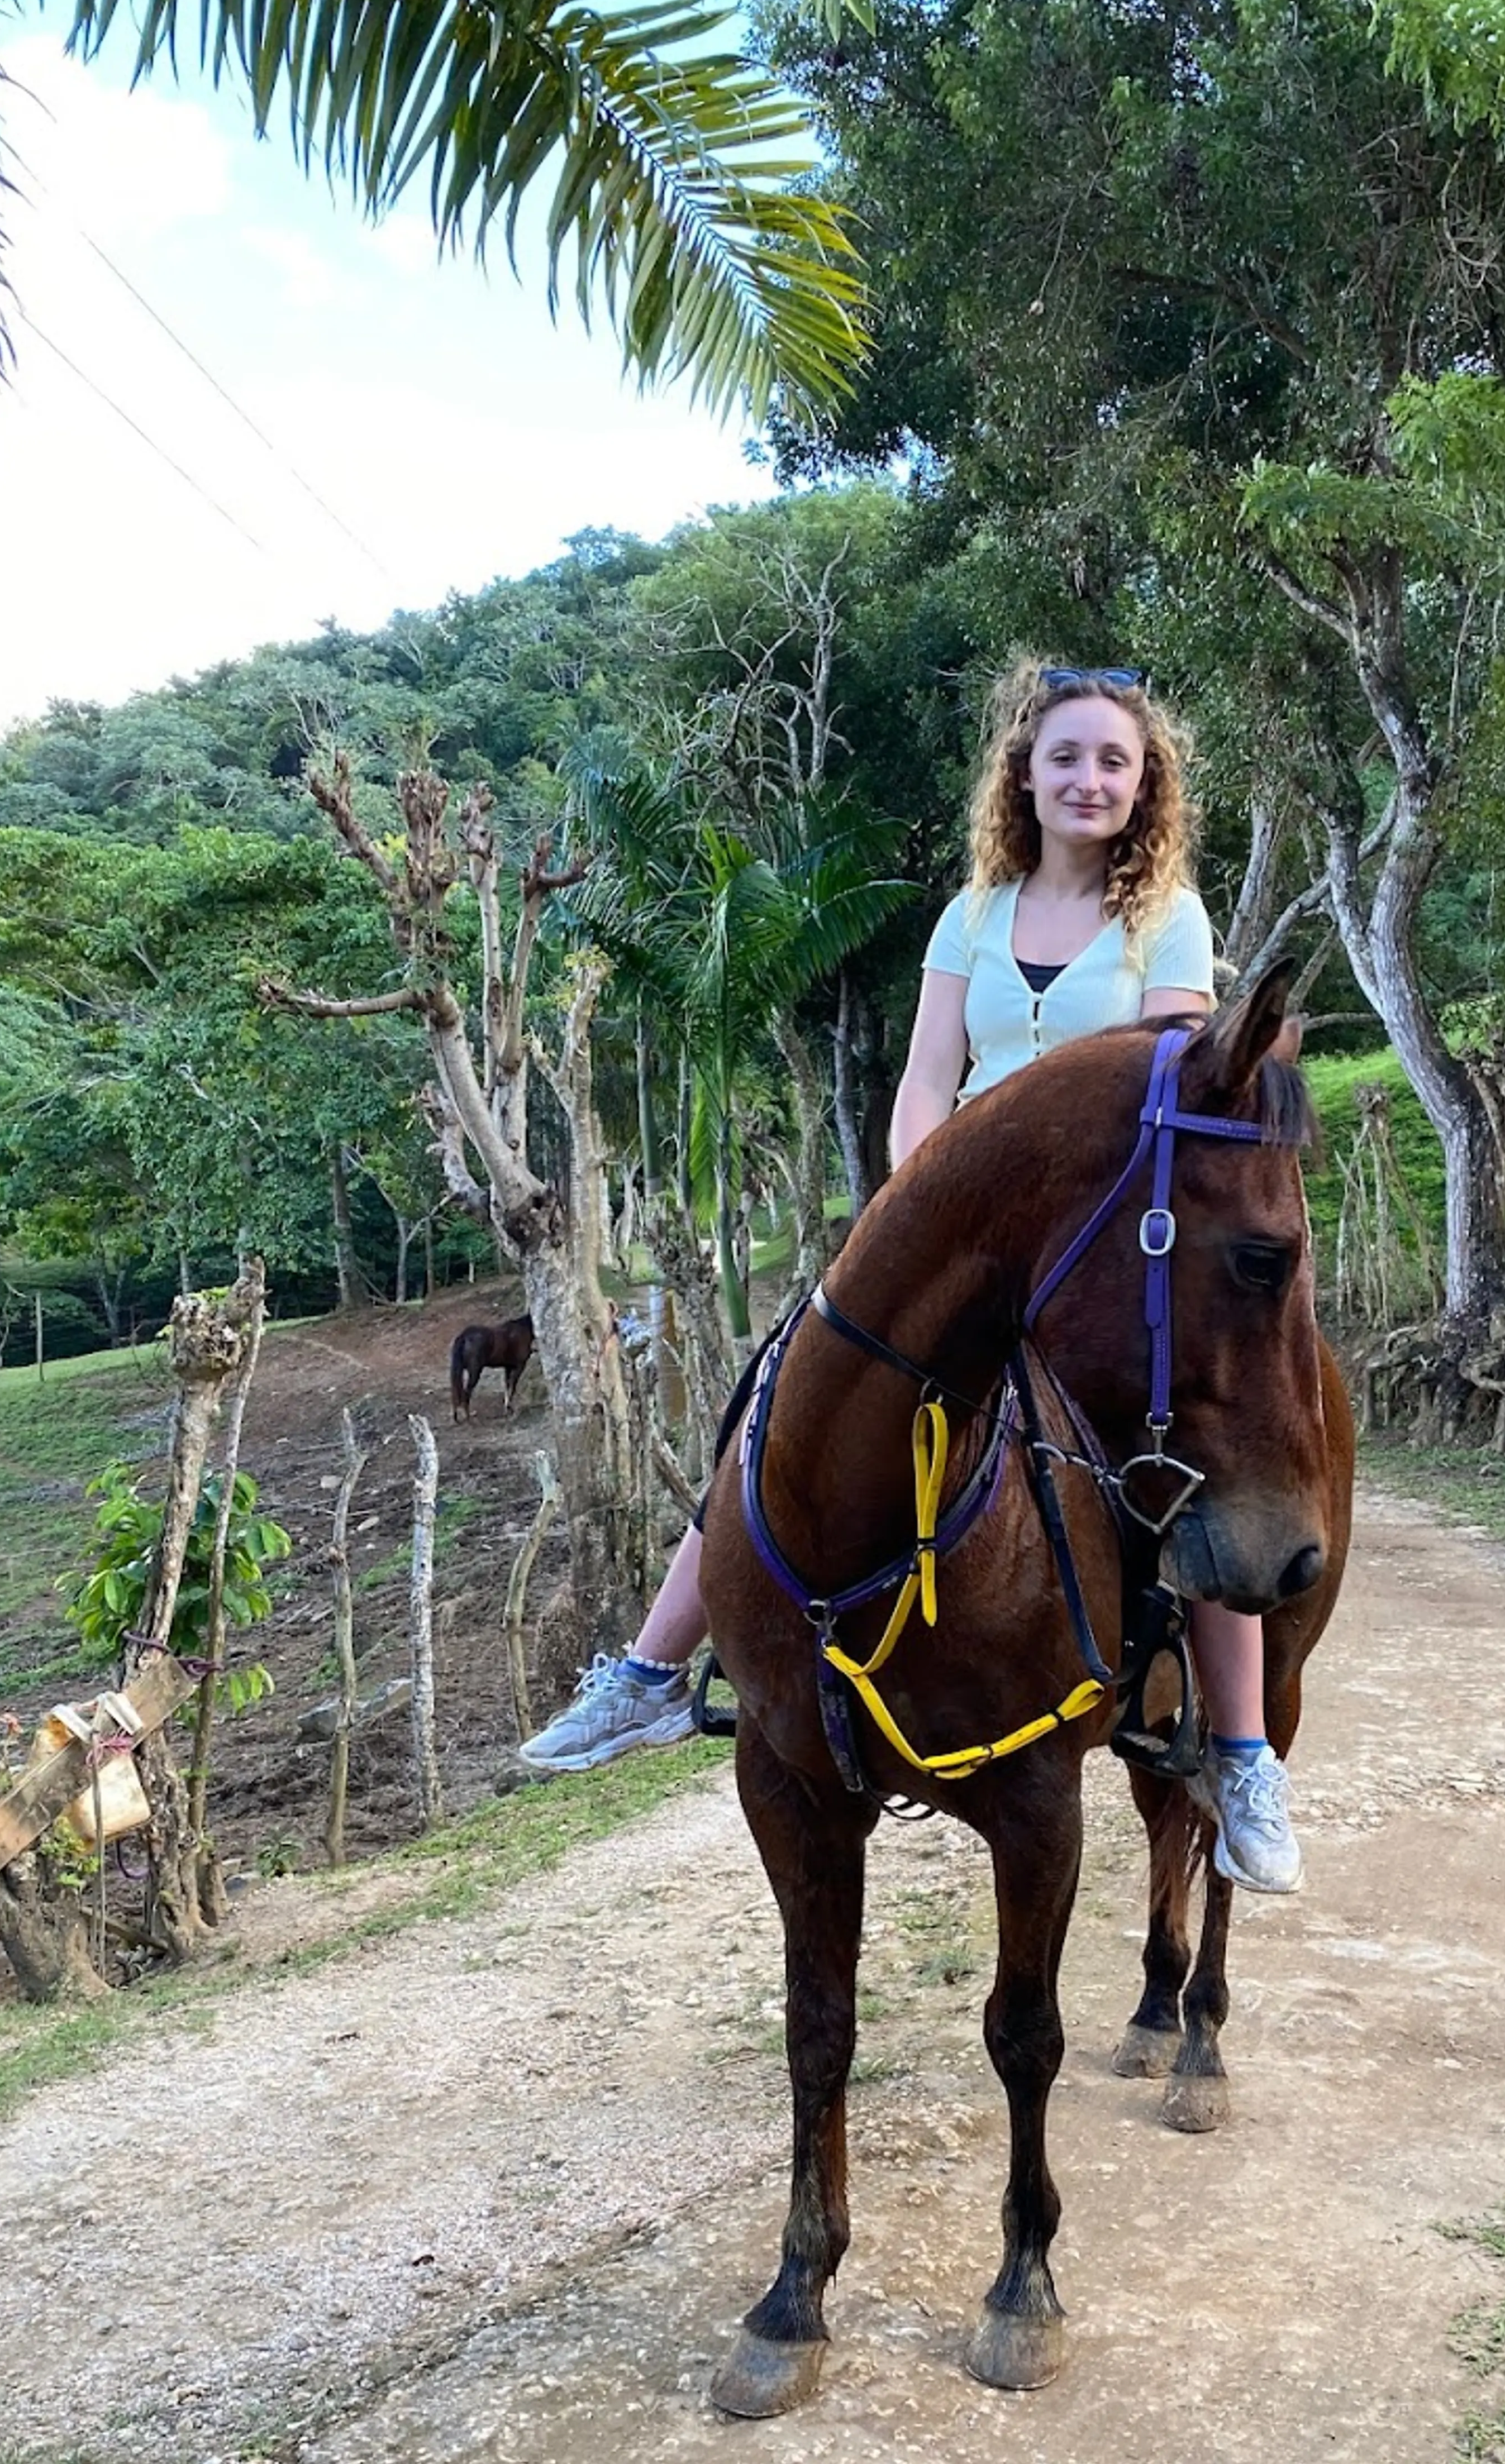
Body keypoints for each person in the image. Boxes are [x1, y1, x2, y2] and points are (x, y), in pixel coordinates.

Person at [518, 658, 1302, 1892]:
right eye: (1066, 757)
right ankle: (653, 1670)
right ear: (1025, 775)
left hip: (1095, 1237)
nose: (1089, 778)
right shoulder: (973, 917)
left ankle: (1244, 1749)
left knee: (1189, 1455)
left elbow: (1166, 1087)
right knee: (790, 1388)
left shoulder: (1174, 921)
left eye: (1115, 760)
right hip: (958, 1225)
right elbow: (926, 1081)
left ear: (1146, 784)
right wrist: (916, 1203)